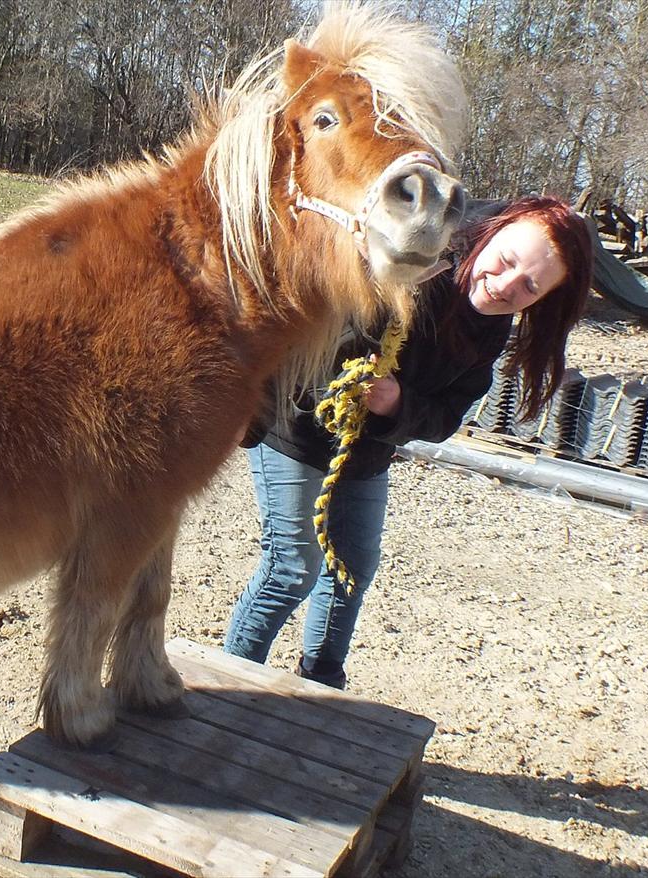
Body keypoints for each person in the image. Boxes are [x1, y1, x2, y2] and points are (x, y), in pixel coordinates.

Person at [224, 195, 594, 688]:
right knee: (293, 568)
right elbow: (312, 331)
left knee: (353, 567)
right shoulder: (413, 265)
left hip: (369, 451)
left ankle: (322, 680)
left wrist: (396, 404)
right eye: (505, 261)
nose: (505, 286)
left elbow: (444, 416)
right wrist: (346, 381)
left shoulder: (490, 329)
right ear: (490, 232)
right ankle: (229, 677)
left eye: (530, 287)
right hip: (294, 429)